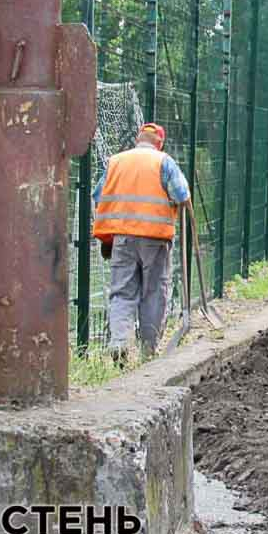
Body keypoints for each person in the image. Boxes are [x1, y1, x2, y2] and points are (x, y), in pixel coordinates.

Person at [93, 123, 192, 359]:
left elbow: (98, 195)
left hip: (122, 239)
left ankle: (119, 342)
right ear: (160, 143)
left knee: (122, 293)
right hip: (155, 239)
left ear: (138, 140)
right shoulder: (163, 161)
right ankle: (148, 350)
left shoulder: (116, 161)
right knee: (154, 293)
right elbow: (181, 194)